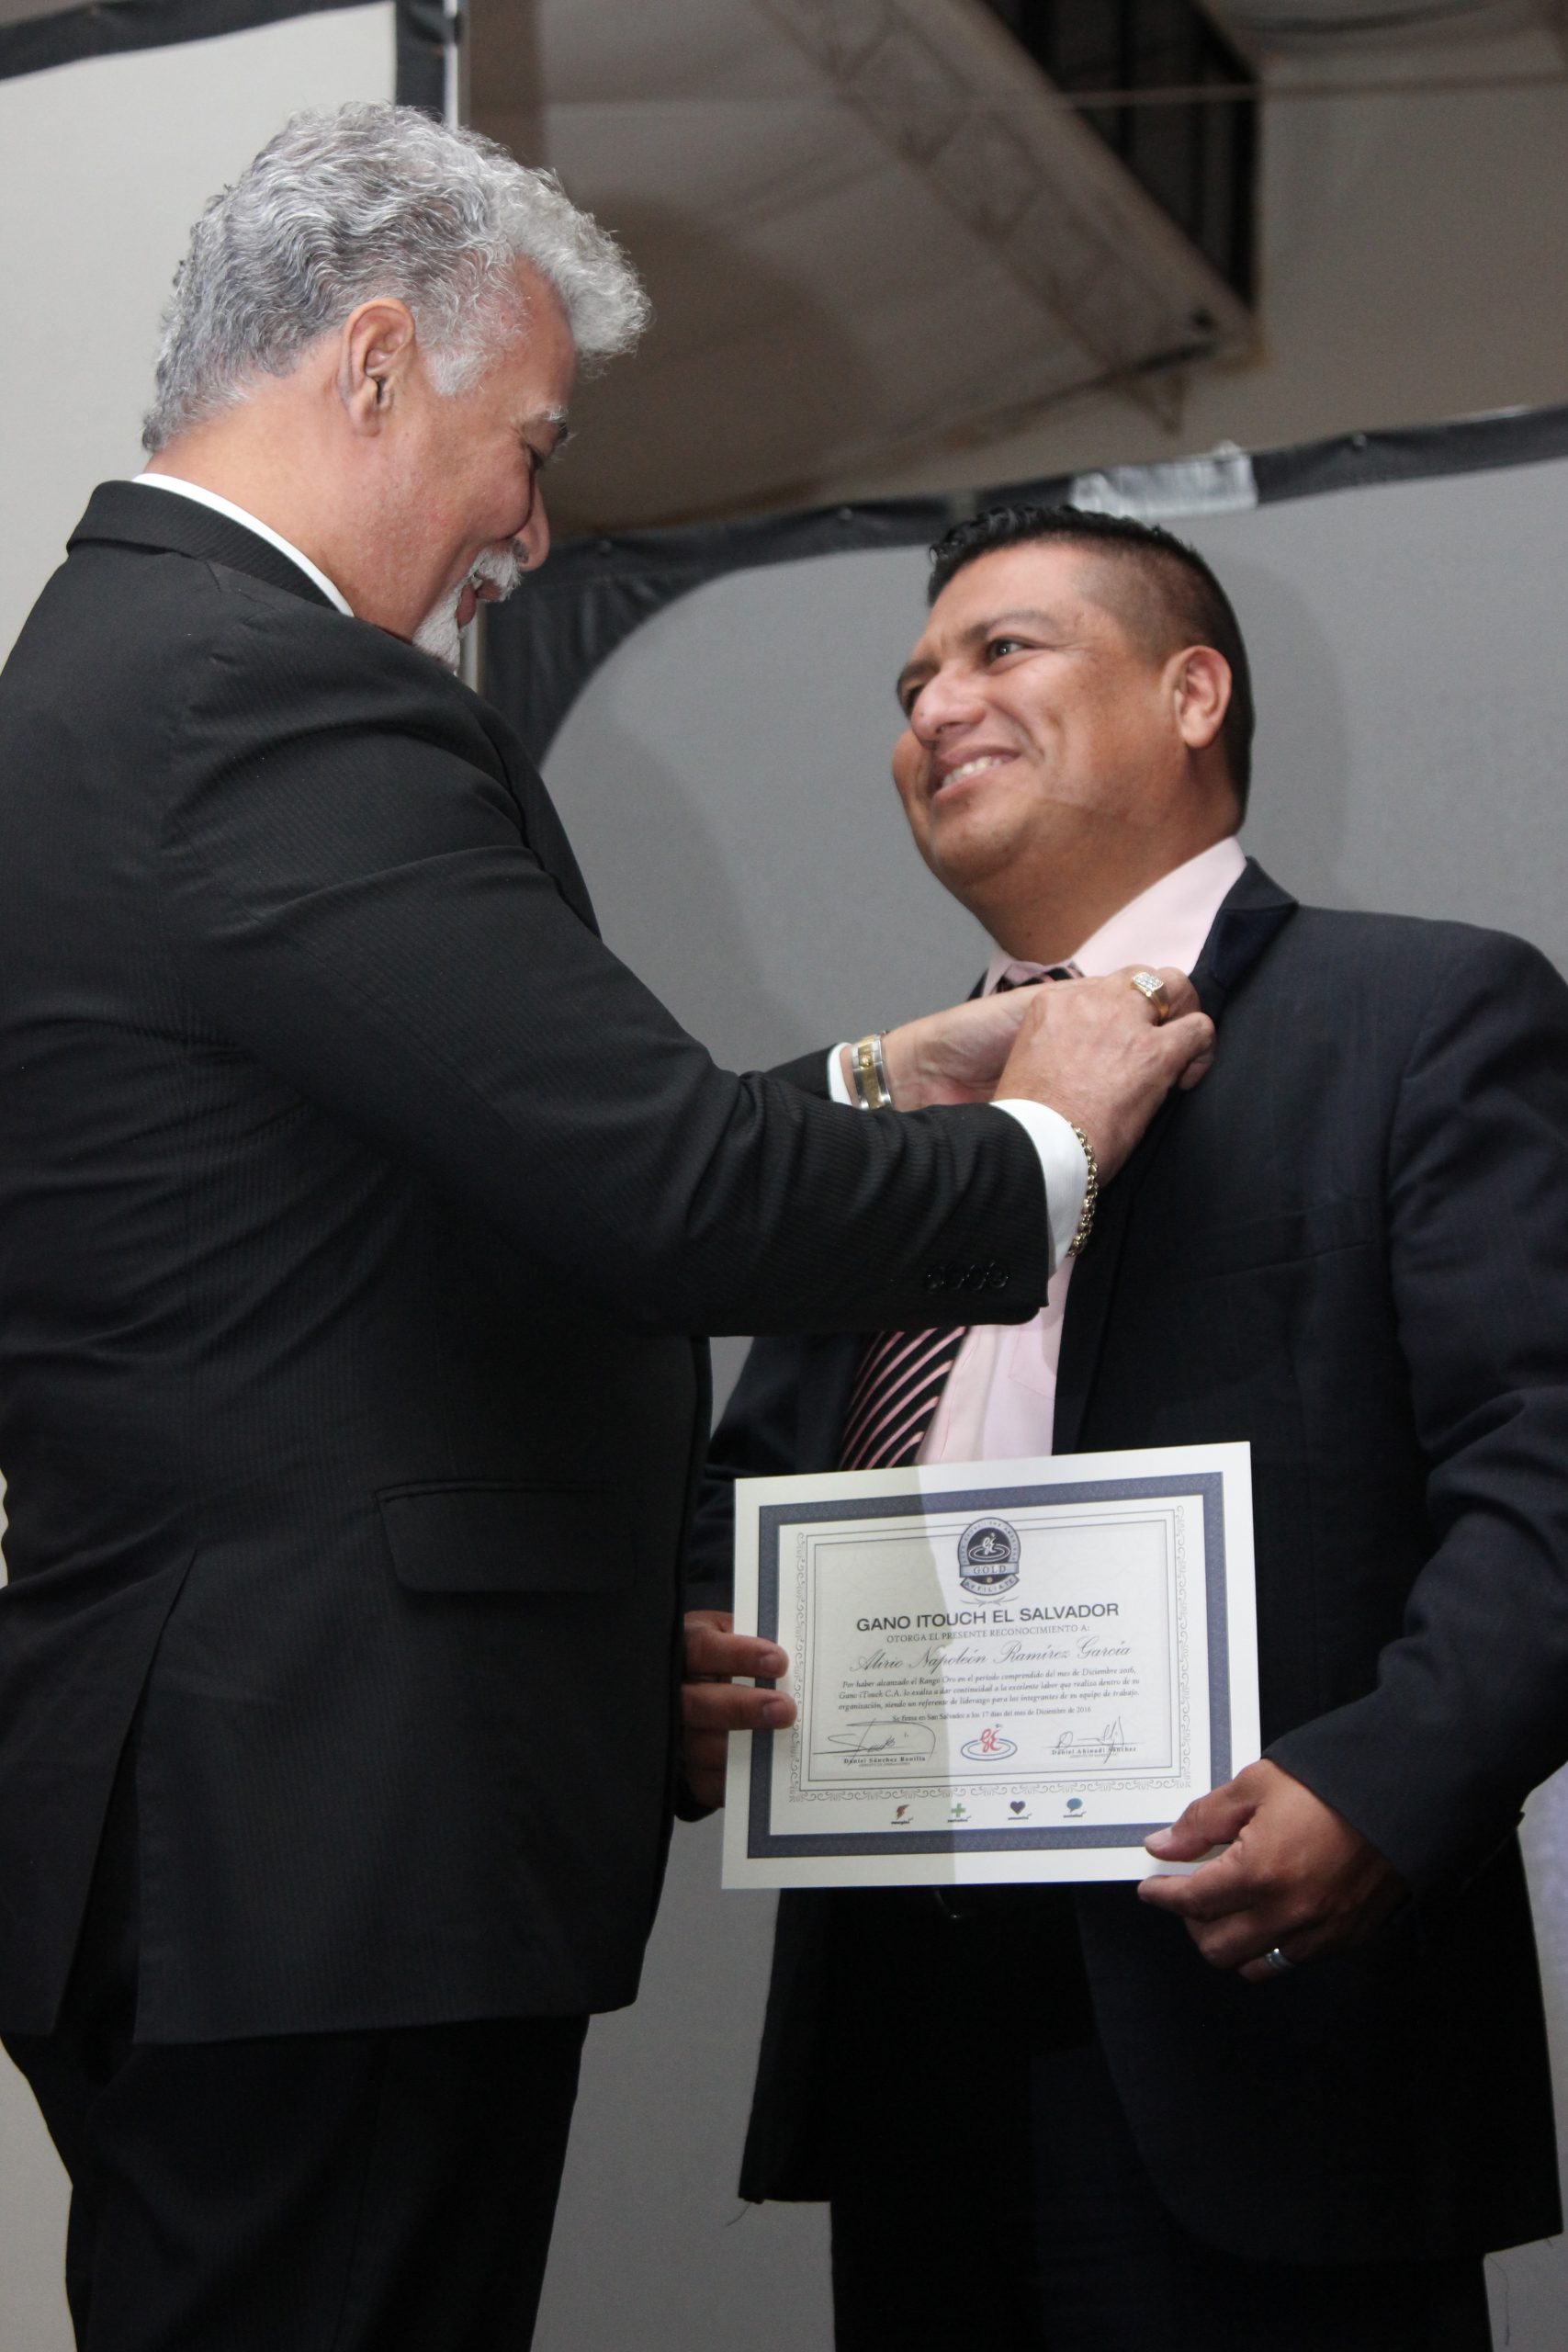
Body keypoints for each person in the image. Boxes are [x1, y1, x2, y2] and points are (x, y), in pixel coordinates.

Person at [0, 110, 1213, 2350]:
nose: (530, 529)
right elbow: (658, 1194)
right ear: (377, 362)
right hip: (318, 1835)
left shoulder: (121, 677)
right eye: (530, 446)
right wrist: (1047, 1137)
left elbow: (436, 1196)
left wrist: (873, 1080)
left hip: (255, 1825)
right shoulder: (262, 692)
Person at [687, 503, 1568, 2352]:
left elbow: (1544, 1458)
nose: (934, 705)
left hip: (1271, 2015)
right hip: (909, 2042)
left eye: (1000, 650)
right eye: (911, 683)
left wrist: (1382, 1786)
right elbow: (753, 1481)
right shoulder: (889, 1118)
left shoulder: (1423, 1016)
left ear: (1190, 693)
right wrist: (683, 1634)